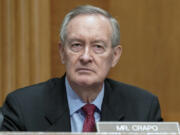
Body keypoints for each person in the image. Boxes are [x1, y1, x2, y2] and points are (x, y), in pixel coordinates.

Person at [0, 5, 162, 132]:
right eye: (76, 45)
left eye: (98, 47)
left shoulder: (143, 108)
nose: (85, 57)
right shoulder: (23, 107)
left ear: (115, 56)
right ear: (62, 52)